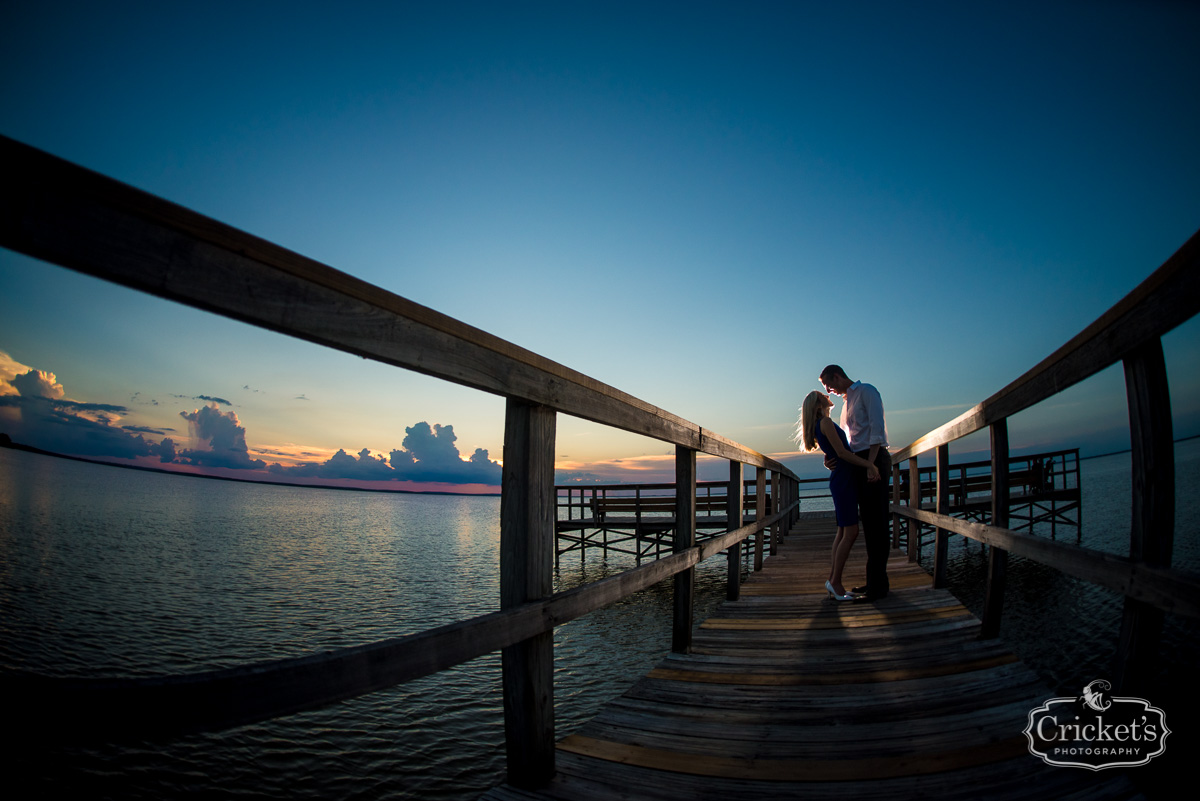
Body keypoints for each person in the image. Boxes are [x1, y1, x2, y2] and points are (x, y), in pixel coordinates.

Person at [797, 390, 879, 601]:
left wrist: (830, 459)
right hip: (843, 480)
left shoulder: (823, 424)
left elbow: (834, 452)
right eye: (821, 394)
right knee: (850, 532)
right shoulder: (824, 423)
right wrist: (870, 464)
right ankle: (835, 582)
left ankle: (833, 580)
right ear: (817, 404)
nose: (826, 394)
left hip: (842, 478)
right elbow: (842, 453)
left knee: (843, 531)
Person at [819, 364, 892, 601]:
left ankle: (879, 587)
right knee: (869, 524)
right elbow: (848, 442)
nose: (829, 391)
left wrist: (872, 466)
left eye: (829, 385)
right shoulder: (845, 404)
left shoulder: (867, 392)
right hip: (859, 463)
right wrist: (833, 458)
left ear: (838, 376)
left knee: (878, 524)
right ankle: (873, 583)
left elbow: (877, 432)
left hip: (873, 458)